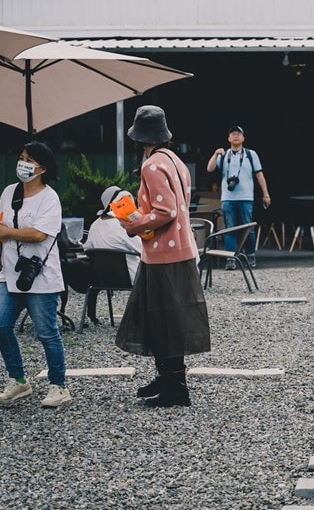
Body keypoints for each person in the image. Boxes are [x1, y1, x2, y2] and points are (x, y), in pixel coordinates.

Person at [115, 105, 210, 408]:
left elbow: (164, 211)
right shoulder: (175, 161)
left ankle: (175, 387)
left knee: (162, 319)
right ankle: (168, 379)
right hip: (181, 249)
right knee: (167, 318)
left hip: (162, 254)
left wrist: (134, 224)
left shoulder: (151, 165)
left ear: (140, 138)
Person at [0, 140, 71, 408]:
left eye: (29, 160)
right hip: (11, 273)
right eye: (22, 157)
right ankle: (19, 380)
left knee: (47, 333)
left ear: (43, 168)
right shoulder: (9, 191)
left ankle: (59, 386)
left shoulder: (50, 198)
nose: (22, 164)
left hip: (41, 276)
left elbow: (39, 234)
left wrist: (7, 234)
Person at [64, 186, 144, 325]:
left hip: (101, 278)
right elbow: (143, 250)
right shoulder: (123, 226)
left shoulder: (95, 225)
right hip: (130, 277)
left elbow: (87, 248)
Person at [206, 125, 271, 269]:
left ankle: (250, 255)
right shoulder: (224, 155)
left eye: (238, 134)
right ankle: (231, 258)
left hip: (246, 197)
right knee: (230, 228)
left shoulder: (250, 154)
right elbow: (210, 169)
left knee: (248, 227)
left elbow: (259, 175)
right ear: (228, 138)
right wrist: (216, 154)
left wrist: (265, 194)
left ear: (243, 138)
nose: (235, 136)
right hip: (228, 198)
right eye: (232, 134)